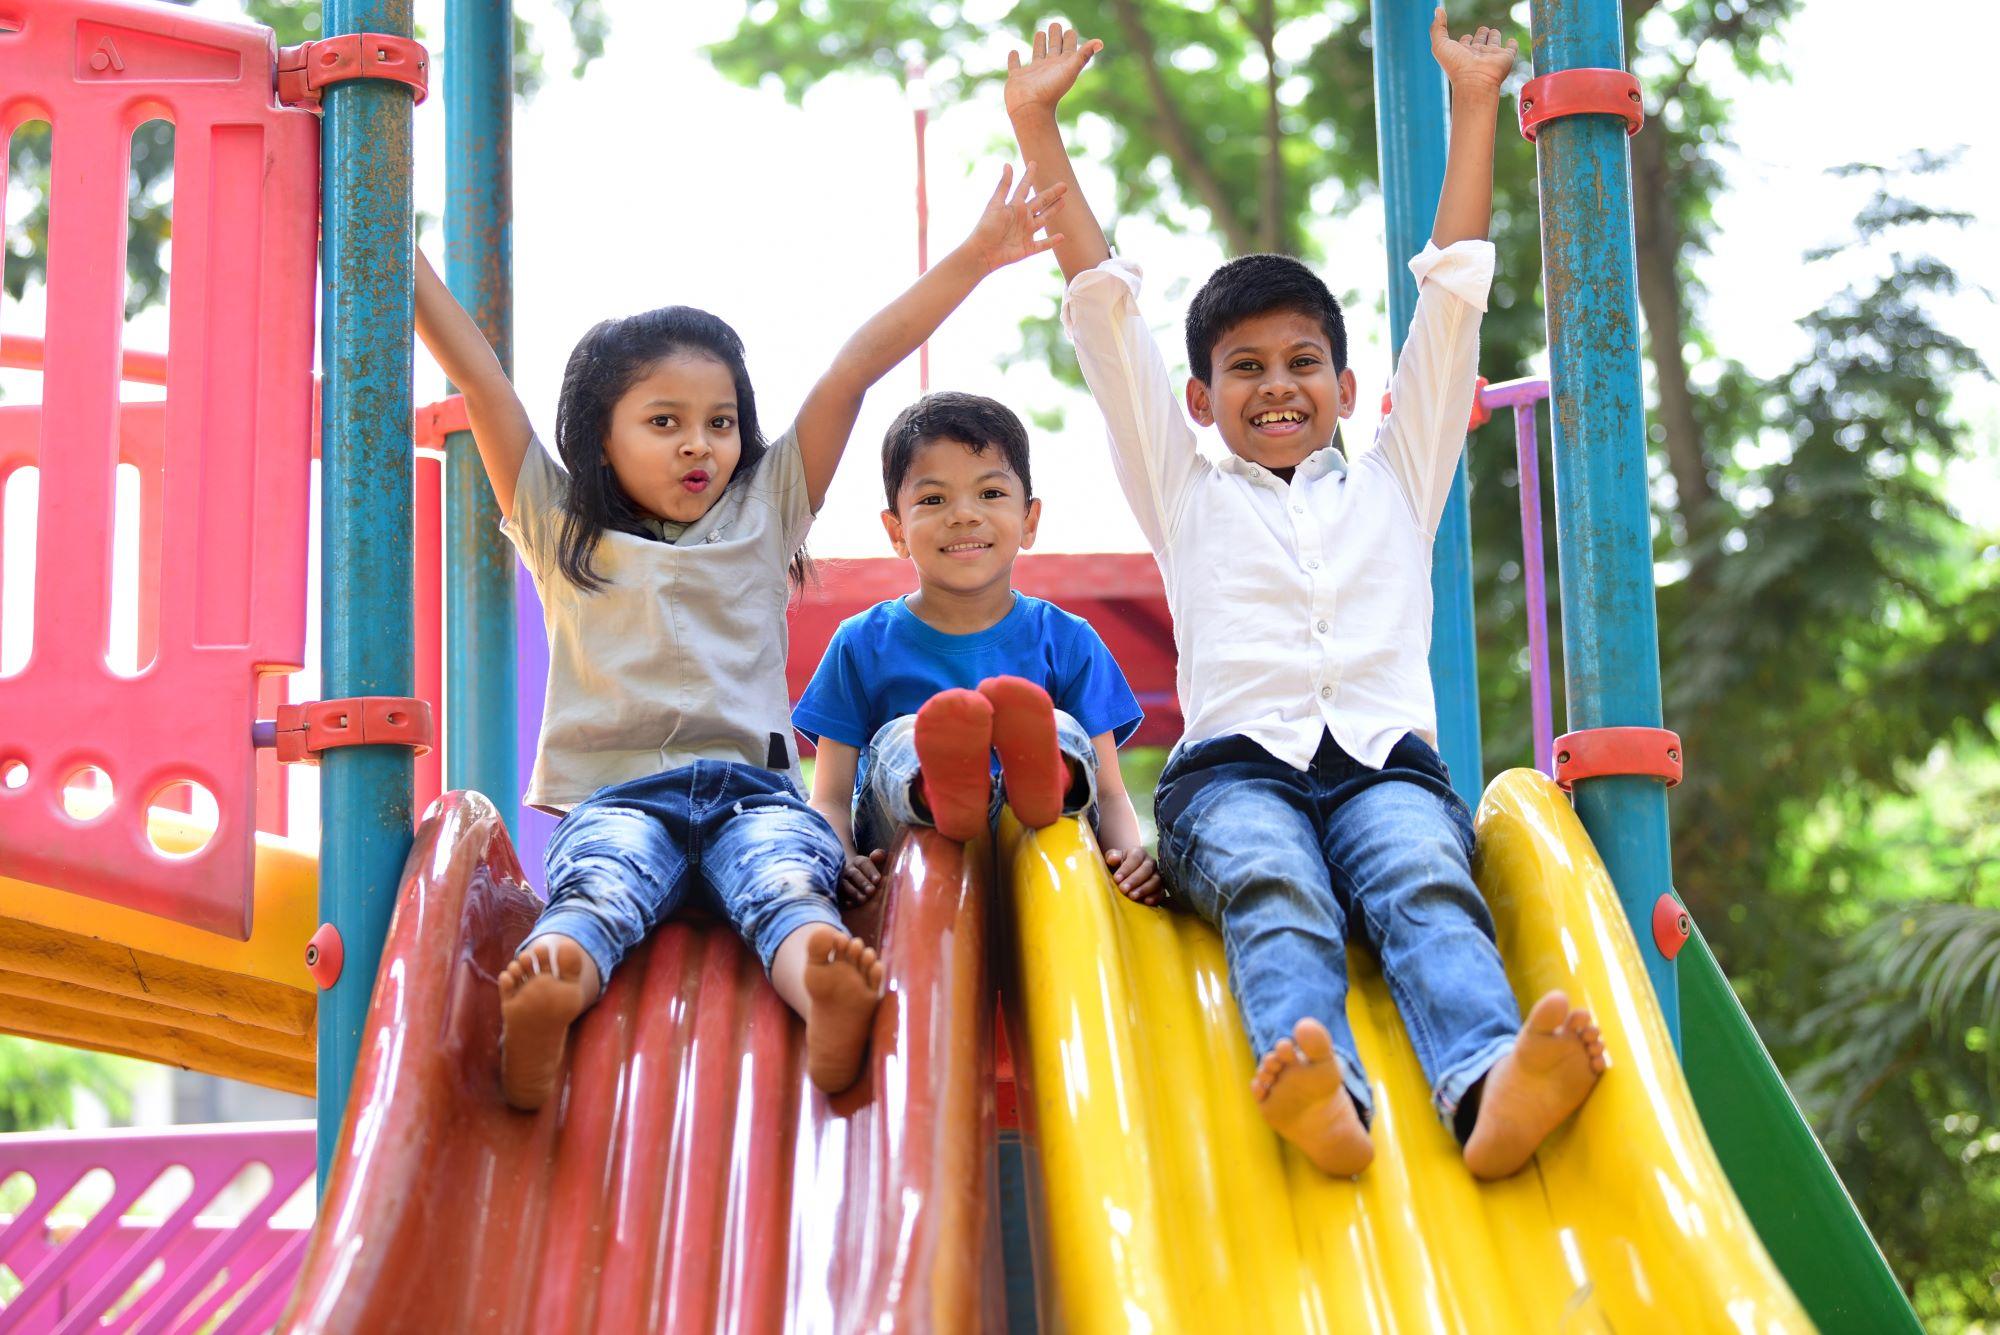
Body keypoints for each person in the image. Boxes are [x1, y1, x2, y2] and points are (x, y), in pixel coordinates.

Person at [1007, 12, 1606, 1179]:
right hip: (1234, 774)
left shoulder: (1398, 473)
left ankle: (1486, 1088)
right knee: (1273, 882)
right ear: (1197, 398)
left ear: (1343, 385)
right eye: (1243, 368)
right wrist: (1037, 126)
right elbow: (1101, 307)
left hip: (1386, 764)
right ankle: (1316, 1079)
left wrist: (1473, 102)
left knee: (1424, 880)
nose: (1274, 387)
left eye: (1298, 365)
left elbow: (1451, 305)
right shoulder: (1183, 489)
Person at [412, 163, 1069, 1110]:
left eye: (720, 422)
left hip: (751, 791)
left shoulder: (766, 514)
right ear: (602, 441)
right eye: (665, 421)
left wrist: (974, 257)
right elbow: (476, 370)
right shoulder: (564, 529)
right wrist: (380, 211)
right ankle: (552, 981)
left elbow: (854, 367)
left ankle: (824, 985)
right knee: (606, 881)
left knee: (784, 877)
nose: (699, 444)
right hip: (617, 795)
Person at [793, 392, 1161, 907]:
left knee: (1061, 730)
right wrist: (842, 859)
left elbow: (1112, 791)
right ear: (896, 531)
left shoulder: (1068, 638)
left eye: (989, 493)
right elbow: (829, 798)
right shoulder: (861, 642)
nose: (963, 516)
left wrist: (1129, 858)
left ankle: (1040, 784)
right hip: (910, 847)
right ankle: (938, 788)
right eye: (933, 500)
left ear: (1029, 521)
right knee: (904, 737)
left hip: (1042, 843)